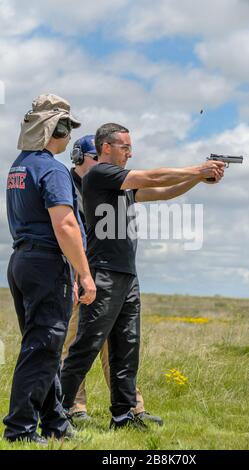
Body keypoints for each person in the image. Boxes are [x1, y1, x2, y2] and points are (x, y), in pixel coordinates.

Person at [61, 123, 225, 430]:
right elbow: (154, 176)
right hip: (104, 274)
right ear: (105, 148)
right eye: (125, 147)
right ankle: (56, 412)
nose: (130, 152)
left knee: (126, 348)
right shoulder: (100, 174)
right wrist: (197, 169)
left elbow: (163, 191)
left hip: (127, 275)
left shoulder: (122, 184)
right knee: (85, 346)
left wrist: (199, 179)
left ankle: (123, 417)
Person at [4, 94, 96, 444]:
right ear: (54, 129)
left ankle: (56, 422)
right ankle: (20, 429)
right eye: (67, 128)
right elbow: (66, 225)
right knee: (43, 348)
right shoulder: (52, 169)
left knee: (45, 345)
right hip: (45, 263)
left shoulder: (19, 165)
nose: (70, 135)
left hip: (23, 262)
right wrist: (83, 274)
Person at [61, 135, 162, 425]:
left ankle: (132, 409)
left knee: (118, 346)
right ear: (79, 158)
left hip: (103, 276)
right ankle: (74, 408)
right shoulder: (64, 185)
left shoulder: (111, 184)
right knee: (77, 344)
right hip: (78, 276)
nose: (101, 164)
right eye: (94, 158)